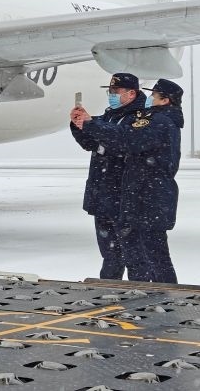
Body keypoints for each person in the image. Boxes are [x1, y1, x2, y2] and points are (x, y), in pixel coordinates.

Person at [73, 79, 184, 283]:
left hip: (148, 197)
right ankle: (152, 292)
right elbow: (111, 140)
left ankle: (160, 294)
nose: (149, 98)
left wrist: (91, 124)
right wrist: (84, 125)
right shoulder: (153, 119)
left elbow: (127, 139)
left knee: (150, 258)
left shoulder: (159, 122)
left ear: (165, 100)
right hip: (141, 196)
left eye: (154, 95)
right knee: (147, 257)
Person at [70, 72, 146, 280]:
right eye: (110, 91)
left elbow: (120, 141)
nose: (111, 94)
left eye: (115, 91)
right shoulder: (110, 115)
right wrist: (79, 125)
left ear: (131, 94)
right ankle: (109, 288)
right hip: (103, 196)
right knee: (111, 255)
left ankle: (140, 292)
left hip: (124, 198)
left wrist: (92, 125)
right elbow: (91, 143)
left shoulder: (140, 119)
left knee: (133, 257)